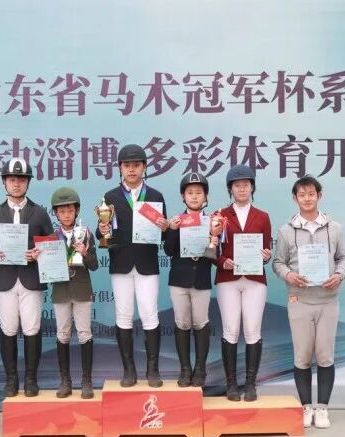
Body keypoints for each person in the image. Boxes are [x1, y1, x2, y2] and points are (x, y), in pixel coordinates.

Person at [272, 175, 345, 429]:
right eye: (302, 195)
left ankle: (323, 408)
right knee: (302, 355)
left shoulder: (334, 228)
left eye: (311, 194)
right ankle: (306, 407)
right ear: (295, 198)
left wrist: (339, 275)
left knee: (325, 355)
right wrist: (289, 275)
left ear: (319, 196)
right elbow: (278, 262)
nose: (307, 199)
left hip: (328, 301)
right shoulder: (286, 231)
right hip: (299, 300)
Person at [96, 144, 170, 387]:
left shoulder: (156, 196)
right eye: (126, 165)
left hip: (147, 263)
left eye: (136, 165)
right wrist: (102, 229)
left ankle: (153, 370)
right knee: (124, 314)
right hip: (121, 263)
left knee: (149, 313)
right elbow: (102, 233)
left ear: (144, 167)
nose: (131, 169)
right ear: (120, 168)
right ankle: (128, 370)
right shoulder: (110, 197)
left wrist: (165, 227)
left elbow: (164, 235)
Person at [0, 158, 54, 397]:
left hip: (31, 278)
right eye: (12, 179)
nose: (16, 184)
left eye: (21, 180)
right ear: (4, 182)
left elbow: (51, 244)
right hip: (5, 279)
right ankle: (11, 379)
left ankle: (31, 379)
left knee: (32, 328)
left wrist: (39, 253)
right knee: (8, 328)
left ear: (28, 183)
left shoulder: (39, 213)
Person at [213, 165, 272, 401]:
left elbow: (266, 248)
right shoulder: (219, 215)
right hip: (227, 279)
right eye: (237, 185)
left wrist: (266, 255)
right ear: (230, 189)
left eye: (246, 185)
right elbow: (211, 248)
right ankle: (230, 384)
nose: (242, 189)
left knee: (252, 329)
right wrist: (222, 261)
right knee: (230, 329)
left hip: (255, 280)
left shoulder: (263, 216)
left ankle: (250, 384)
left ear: (252, 187)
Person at [163, 172, 222, 387]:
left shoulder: (213, 221)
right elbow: (169, 251)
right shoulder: (177, 221)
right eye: (190, 192)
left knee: (200, 322)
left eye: (199, 192)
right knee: (182, 323)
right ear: (183, 196)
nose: (195, 196)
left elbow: (215, 256)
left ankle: (200, 369)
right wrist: (172, 230)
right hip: (179, 280)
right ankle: (185, 369)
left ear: (205, 196)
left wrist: (214, 238)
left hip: (201, 280)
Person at [49, 187, 99, 398]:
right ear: (56, 214)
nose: (67, 215)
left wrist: (85, 253)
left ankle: (86, 380)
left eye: (70, 210)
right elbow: (46, 270)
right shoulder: (51, 238)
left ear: (76, 210)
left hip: (81, 289)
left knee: (85, 333)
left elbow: (94, 265)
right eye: (62, 211)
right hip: (61, 291)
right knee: (63, 334)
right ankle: (65, 381)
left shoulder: (85, 233)